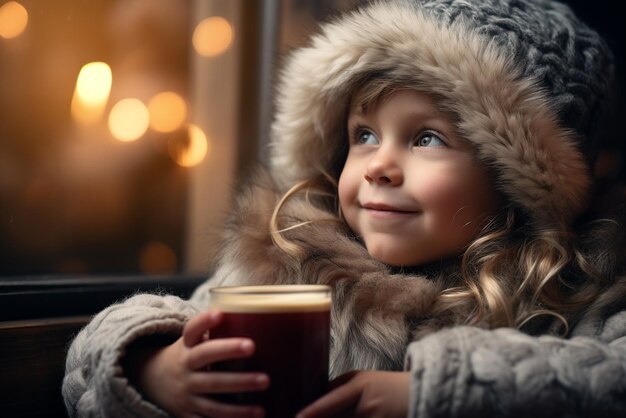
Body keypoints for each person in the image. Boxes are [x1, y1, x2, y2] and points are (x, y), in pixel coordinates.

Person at [63, 0, 626, 417]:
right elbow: (110, 343)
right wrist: (151, 368)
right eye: (364, 135)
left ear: (518, 181)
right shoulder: (290, 262)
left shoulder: (572, 289)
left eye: (426, 138)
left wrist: (434, 394)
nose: (380, 164)